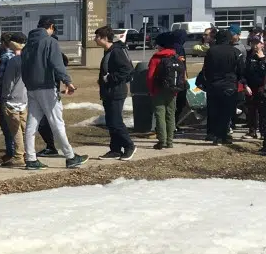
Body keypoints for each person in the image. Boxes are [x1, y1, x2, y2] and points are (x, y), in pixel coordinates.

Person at [20, 16, 87, 170]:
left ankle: (30, 158)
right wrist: (67, 81)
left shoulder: (27, 45)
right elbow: (57, 64)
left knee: (32, 124)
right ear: (50, 27)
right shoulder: (50, 42)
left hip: (31, 88)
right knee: (57, 122)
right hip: (47, 87)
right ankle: (70, 156)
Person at [95, 26, 136, 160]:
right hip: (108, 91)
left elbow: (127, 69)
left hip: (117, 92)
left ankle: (129, 145)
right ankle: (115, 149)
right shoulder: (108, 51)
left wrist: (110, 78)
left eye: (97, 37)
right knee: (110, 121)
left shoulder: (117, 51)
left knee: (116, 121)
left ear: (105, 38)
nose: (95, 40)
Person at [196, 29, 244, 145]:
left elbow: (206, 69)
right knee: (226, 112)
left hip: (213, 85)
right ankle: (223, 135)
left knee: (213, 111)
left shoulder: (211, 51)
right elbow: (241, 70)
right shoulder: (236, 52)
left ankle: (212, 134)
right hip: (229, 85)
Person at [146, 33, 184, 150]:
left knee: (160, 115)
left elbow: (150, 77)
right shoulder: (176, 57)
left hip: (158, 90)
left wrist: (151, 90)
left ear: (161, 45)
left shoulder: (156, 58)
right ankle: (170, 141)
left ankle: (162, 141)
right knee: (170, 115)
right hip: (173, 90)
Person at [0, 33, 27, 166]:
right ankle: (28, 153)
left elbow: (8, 83)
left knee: (16, 130)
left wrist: (4, 96)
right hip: (25, 98)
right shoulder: (29, 59)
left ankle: (19, 155)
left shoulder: (13, 61)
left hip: (12, 99)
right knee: (24, 128)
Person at [243, 35, 266, 141]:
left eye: (257, 43)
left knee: (263, 111)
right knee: (251, 110)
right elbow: (243, 73)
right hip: (250, 88)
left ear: (262, 44)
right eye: (252, 43)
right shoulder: (248, 57)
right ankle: (252, 130)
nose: (254, 45)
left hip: (262, 88)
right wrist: (245, 85)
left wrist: (264, 87)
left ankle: (263, 132)